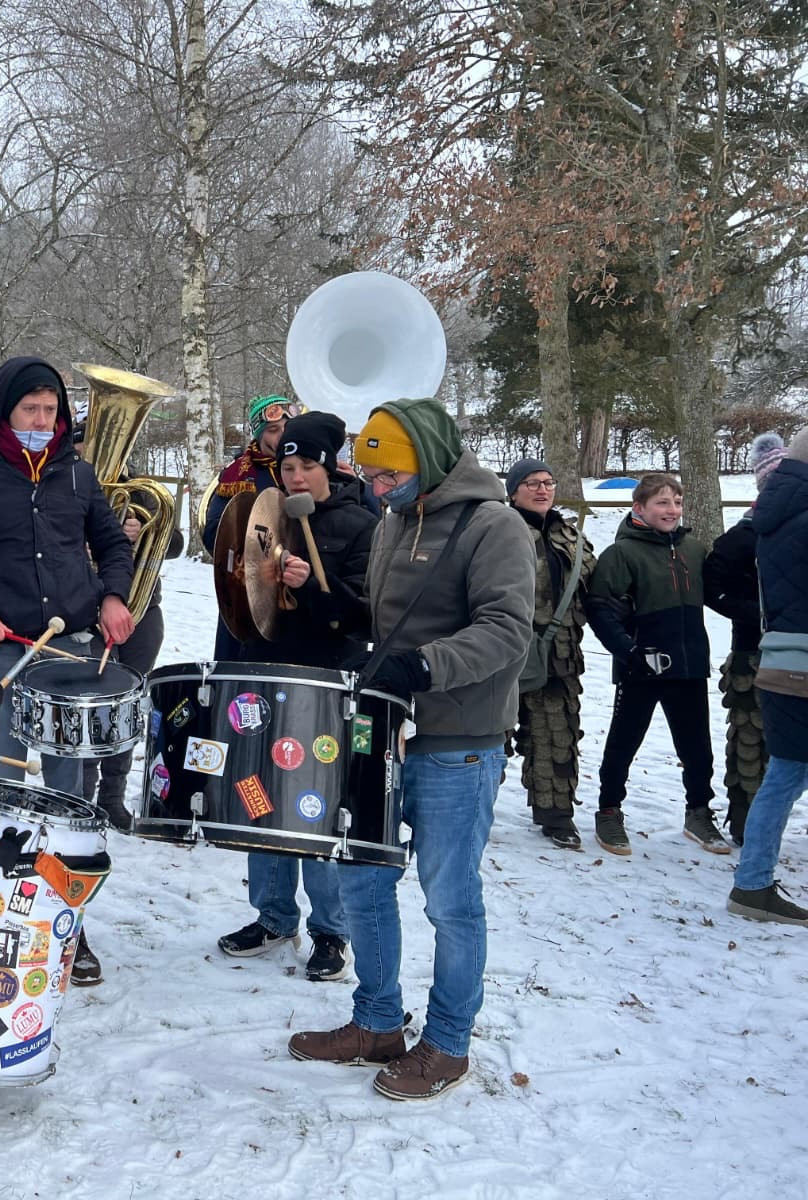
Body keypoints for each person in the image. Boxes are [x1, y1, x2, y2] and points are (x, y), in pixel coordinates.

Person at [288, 397, 533, 1101]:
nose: (378, 489)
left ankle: (449, 1042)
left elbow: (506, 627)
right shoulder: (397, 519)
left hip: (458, 739)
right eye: (370, 477)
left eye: (390, 475)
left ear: (428, 458)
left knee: (449, 899)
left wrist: (423, 668)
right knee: (362, 881)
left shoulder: (495, 525)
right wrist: (338, 609)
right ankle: (377, 1023)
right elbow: (389, 618)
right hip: (384, 731)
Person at [0, 355, 134, 986]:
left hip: (72, 652)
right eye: (30, 409)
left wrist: (113, 595)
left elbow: (112, 544)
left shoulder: (78, 475)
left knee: (70, 793)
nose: (42, 421)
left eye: (50, 410)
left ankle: (68, 923)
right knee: (0, 783)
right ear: (3, 413)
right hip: (2, 653)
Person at [215, 413, 375, 982]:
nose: (297, 476)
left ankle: (331, 930)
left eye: (308, 465)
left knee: (316, 804)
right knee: (260, 796)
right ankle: (274, 916)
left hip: (326, 679)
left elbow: (364, 615)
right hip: (265, 672)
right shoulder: (270, 515)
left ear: (329, 467)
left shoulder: (362, 525)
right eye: (288, 467)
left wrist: (312, 590)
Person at [584, 472, 725, 855]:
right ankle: (609, 811)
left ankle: (699, 812)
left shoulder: (692, 549)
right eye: (662, 502)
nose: (672, 510)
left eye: (677, 502)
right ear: (639, 508)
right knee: (623, 744)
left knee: (698, 748)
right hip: (642, 666)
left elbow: (718, 592)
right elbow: (599, 609)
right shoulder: (621, 554)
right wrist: (629, 652)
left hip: (689, 665)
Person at [68, 420, 185, 831]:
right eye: (80, 452)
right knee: (87, 704)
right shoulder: (63, 488)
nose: (88, 459)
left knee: (127, 703)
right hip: (83, 613)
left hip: (140, 611)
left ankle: (112, 797)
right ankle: (81, 795)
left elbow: (175, 543)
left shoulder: (139, 492)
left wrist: (140, 528)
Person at [728, 426, 808, 924]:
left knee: (785, 773)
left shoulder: (777, 516)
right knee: (785, 775)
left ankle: (753, 882)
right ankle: (752, 884)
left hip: (783, 659)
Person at [504, 458, 596, 850]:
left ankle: (556, 816)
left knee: (556, 736)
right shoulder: (495, 529)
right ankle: (470, 806)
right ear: (513, 492)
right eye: (531, 483)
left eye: (548, 482)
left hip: (559, 654)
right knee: (489, 736)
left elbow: (594, 590)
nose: (542, 489)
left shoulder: (570, 536)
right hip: (503, 651)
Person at [705, 433, 785, 845]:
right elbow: (711, 587)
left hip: (798, 655)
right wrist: (756, 613)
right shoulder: (742, 537)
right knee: (750, 743)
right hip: (752, 656)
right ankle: (746, 825)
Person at [201, 395, 302, 659]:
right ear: (259, 434)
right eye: (273, 430)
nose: (282, 436)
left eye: (288, 428)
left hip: (298, 590)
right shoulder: (238, 474)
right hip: (248, 591)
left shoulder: (309, 469)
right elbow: (214, 534)